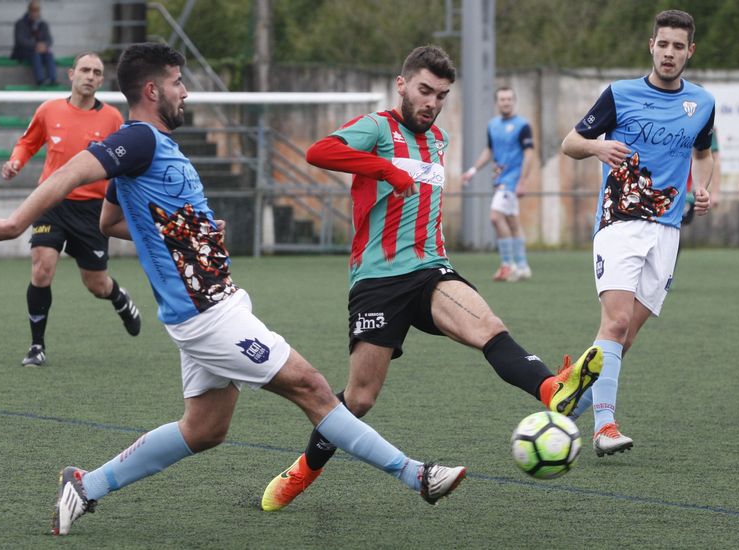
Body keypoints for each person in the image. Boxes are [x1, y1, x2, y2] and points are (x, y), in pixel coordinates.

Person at [0, 42, 466, 536]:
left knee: (205, 429)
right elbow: (73, 172)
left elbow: (111, 219)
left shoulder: (152, 147)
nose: (187, 93)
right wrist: (15, 223)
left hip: (211, 304)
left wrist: (191, 232)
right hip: (206, 313)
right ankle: (416, 475)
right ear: (153, 89)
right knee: (312, 387)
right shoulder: (136, 139)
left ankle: (84, 485)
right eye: (179, 83)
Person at [258, 45, 603, 512]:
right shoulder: (378, 127)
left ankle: (553, 391)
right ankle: (304, 469)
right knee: (359, 399)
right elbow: (320, 152)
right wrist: (385, 169)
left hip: (431, 270)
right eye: (424, 91)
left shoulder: (438, 139)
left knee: (489, 327)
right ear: (402, 85)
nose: (431, 103)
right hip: (378, 279)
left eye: (441, 95)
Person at [560, 10, 714, 456]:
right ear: (651, 45)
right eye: (662, 44)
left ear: (690, 51)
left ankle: (567, 398)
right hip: (619, 221)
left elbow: (703, 153)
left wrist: (702, 188)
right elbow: (570, 142)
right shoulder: (620, 94)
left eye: (678, 47)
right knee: (617, 321)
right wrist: (596, 146)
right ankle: (604, 427)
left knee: (623, 340)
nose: (669, 53)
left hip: (667, 232)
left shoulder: (702, 103)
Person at [2, 52, 141, 367]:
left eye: (96, 72)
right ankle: (37, 346)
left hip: (92, 210)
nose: (90, 76)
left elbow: (125, 163)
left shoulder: (113, 119)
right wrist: (15, 162)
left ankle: (119, 298)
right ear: (71, 74)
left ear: (101, 80)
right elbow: (28, 142)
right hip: (51, 201)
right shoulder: (49, 110)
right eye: (85, 70)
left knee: (96, 284)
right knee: (42, 268)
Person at [461, 86, 536, 282]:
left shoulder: (522, 125)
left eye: (509, 99)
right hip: (499, 181)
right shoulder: (493, 125)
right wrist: (473, 171)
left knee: (495, 217)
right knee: (512, 221)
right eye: (502, 99)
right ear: (497, 102)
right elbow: (489, 151)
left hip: (511, 182)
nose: (506, 102)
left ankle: (507, 265)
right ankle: (522, 266)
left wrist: (522, 181)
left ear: (514, 101)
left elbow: (529, 154)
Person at [11, 0, 57, 86]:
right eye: (33, 9)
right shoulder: (20, 23)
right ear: (29, 10)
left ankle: (52, 79)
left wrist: (44, 45)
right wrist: (35, 45)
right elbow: (20, 40)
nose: (35, 12)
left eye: (37, 9)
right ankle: (40, 80)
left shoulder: (43, 24)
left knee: (49, 54)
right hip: (24, 51)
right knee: (35, 54)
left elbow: (49, 39)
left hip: (40, 51)